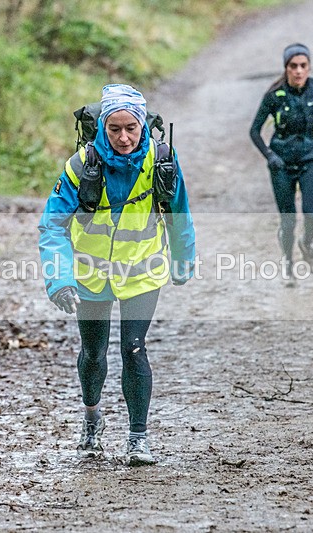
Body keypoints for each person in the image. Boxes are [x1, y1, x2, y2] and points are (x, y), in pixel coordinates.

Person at [38, 84, 196, 465]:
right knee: (93, 353)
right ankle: (92, 419)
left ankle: (138, 439)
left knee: (133, 348)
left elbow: (179, 212)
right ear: (102, 129)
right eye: (115, 129)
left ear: (142, 125)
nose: (124, 137)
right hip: (91, 276)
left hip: (142, 272)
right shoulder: (81, 166)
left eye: (131, 128)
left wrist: (183, 259)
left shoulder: (162, 160)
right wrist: (59, 279)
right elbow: (52, 226)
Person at [250, 42, 313, 285]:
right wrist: (270, 156)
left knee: (312, 216)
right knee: (288, 220)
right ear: (286, 68)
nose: (299, 71)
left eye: (303, 66)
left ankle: (307, 242)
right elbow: (254, 131)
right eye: (293, 66)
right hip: (282, 162)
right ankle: (288, 265)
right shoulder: (274, 95)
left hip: (312, 157)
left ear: (310, 67)